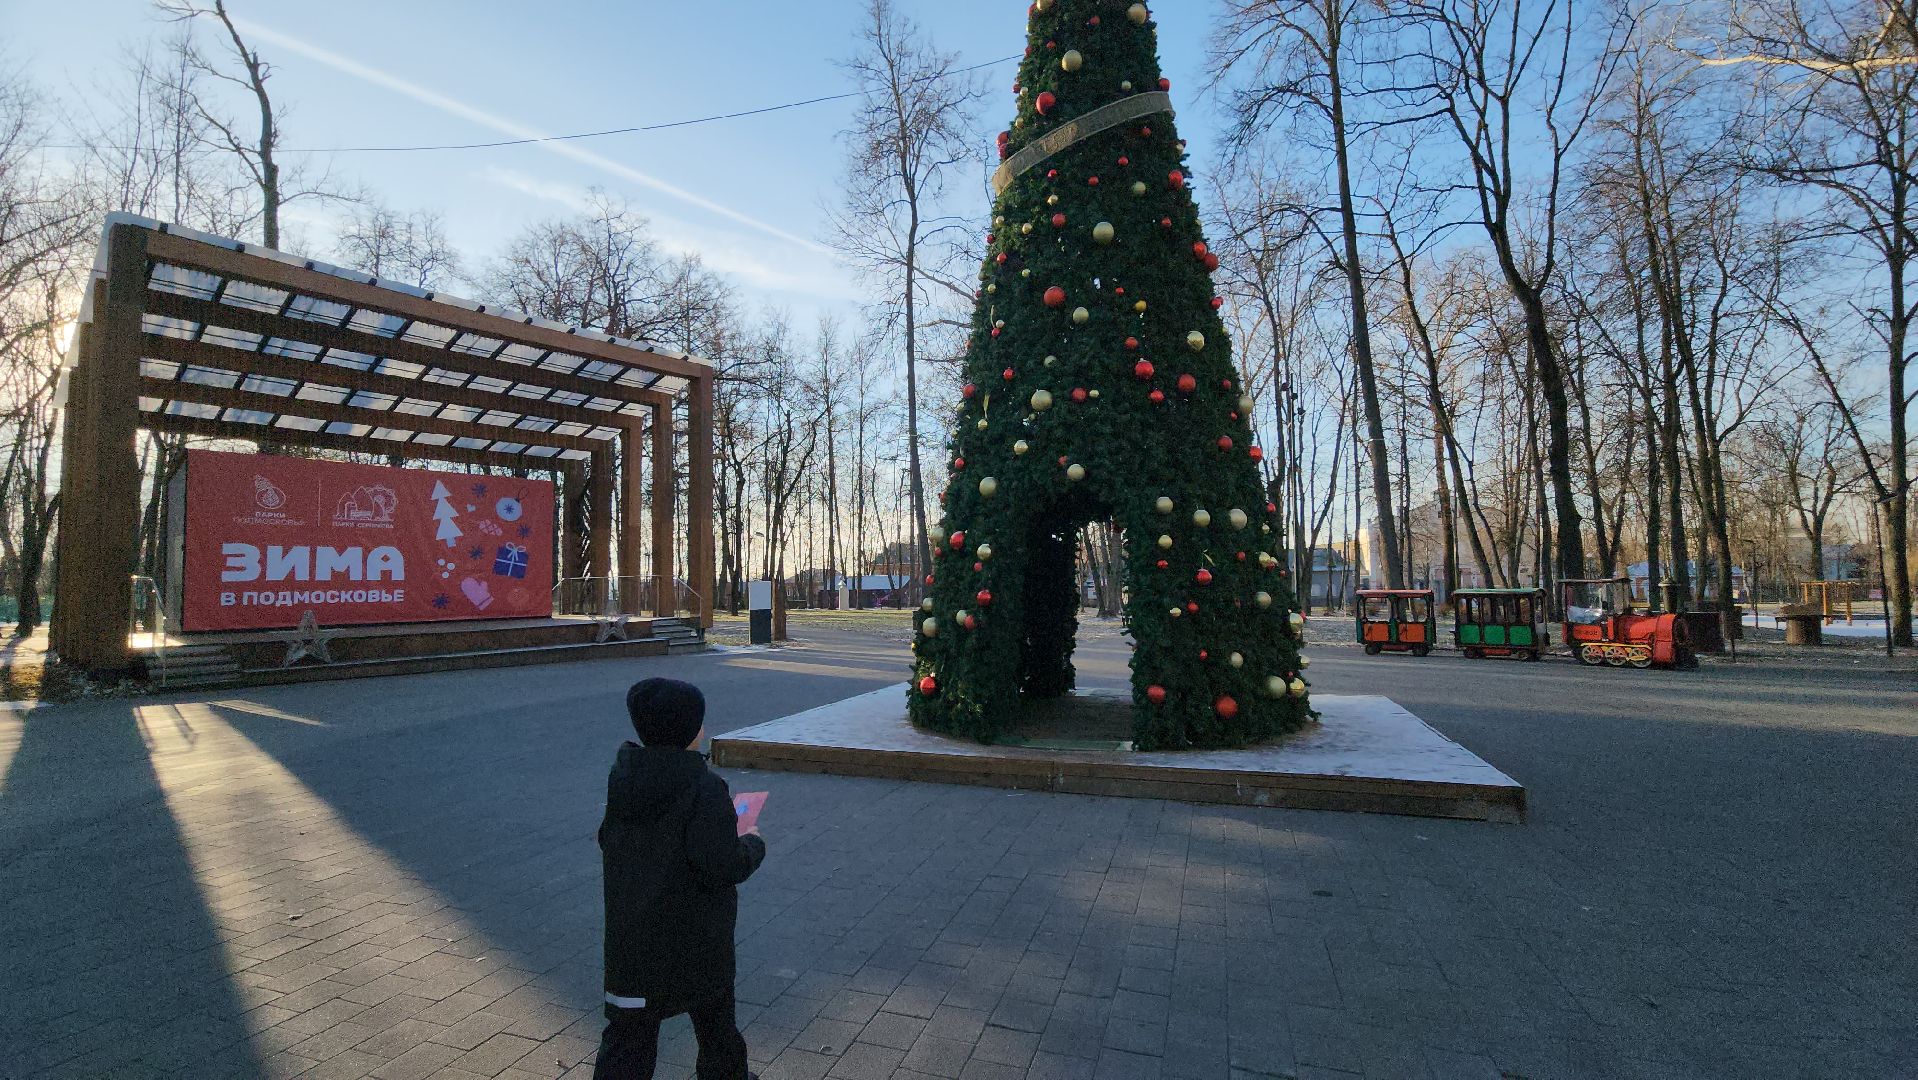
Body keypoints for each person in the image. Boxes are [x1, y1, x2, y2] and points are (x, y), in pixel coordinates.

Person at [595, 678, 766, 1080]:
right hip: (697, 937)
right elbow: (722, 864)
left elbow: (608, 839)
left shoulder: (623, 778)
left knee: (627, 1038)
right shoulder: (705, 788)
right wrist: (753, 843)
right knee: (716, 1026)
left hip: (633, 938)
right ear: (689, 730)